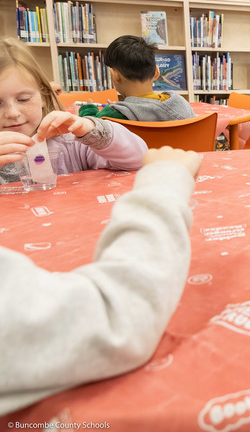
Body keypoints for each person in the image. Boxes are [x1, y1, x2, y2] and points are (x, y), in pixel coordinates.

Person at [0, 145, 202, 414]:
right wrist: (165, 182)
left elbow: (134, 154)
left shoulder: (68, 141)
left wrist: (94, 132)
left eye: (24, 99)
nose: (12, 113)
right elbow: (117, 316)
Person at [0, 38, 147, 185]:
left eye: (24, 99)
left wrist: (90, 130)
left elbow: (140, 158)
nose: (12, 113)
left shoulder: (72, 143)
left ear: (44, 95)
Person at [79, 35, 194, 121]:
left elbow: (91, 133)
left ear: (116, 76)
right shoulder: (182, 104)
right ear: (157, 72)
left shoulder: (112, 115)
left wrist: (88, 110)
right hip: (177, 153)